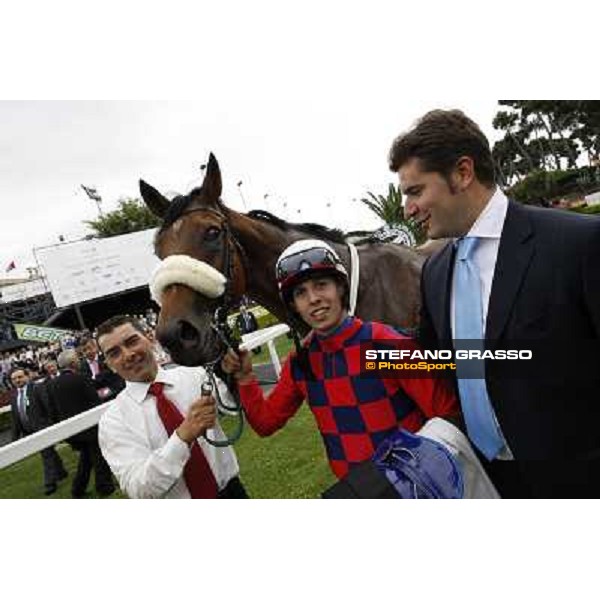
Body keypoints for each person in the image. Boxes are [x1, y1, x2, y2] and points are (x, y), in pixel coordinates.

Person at [388, 108, 600, 498]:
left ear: (463, 173)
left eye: (415, 191)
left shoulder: (579, 245)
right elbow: (440, 361)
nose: (408, 209)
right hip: (489, 482)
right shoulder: (435, 274)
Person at [222, 239, 459, 482]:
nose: (313, 298)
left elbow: (446, 415)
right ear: (294, 306)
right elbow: (265, 423)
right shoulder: (300, 362)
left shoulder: (384, 342)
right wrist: (245, 378)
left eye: (321, 285)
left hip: (415, 486)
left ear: (341, 288)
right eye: (301, 293)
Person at [96, 315, 247, 499]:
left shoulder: (194, 375)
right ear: (109, 365)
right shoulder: (113, 422)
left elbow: (234, 405)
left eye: (132, 341)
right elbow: (140, 489)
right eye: (114, 353)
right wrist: (183, 437)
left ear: (150, 339)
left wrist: (235, 373)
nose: (127, 354)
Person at [45, 350, 115, 498]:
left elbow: (52, 410)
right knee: (98, 458)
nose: (79, 361)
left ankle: (77, 490)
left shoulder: (51, 385)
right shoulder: (81, 378)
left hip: (72, 432)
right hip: (90, 428)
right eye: (77, 359)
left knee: (86, 460)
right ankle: (105, 487)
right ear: (72, 363)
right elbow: (94, 401)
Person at [8, 367, 67, 495]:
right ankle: (61, 472)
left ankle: (49, 484)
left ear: (27, 376)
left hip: (42, 428)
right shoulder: (13, 396)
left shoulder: (36, 388)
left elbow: (48, 407)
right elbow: (15, 420)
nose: (17, 380)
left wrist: (51, 425)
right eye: (14, 379)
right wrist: (14, 440)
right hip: (29, 432)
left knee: (47, 454)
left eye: (19, 377)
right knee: (49, 453)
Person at [78, 336, 125, 401]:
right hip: (98, 401)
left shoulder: (106, 358)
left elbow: (118, 379)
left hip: (116, 394)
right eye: (84, 350)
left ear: (95, 347)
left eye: (89, 348)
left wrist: (105, 393)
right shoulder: (82, 367)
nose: (88, 352)